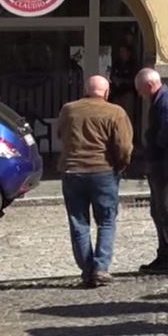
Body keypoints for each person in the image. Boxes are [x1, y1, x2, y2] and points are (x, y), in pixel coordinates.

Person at [55, 76, 133, 287]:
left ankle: (87, 269)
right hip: (103, 171)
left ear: (85, 90)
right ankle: (100, 267)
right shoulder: (115, 112)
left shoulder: (69, 110)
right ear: (106, 93)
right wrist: (120, 164)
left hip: (72, 170)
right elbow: (124, 146)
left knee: (78, 221)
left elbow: (60, 134)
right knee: (106, 220)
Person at [135, 68, 168, 273]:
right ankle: (164, 253)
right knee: (157, 210)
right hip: (158, 161)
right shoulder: (160, 98)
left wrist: (157, 142)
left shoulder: (167, 98)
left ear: (149, 86)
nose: (141, 95)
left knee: (166, 209)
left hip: (164, 162)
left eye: (141, 90)